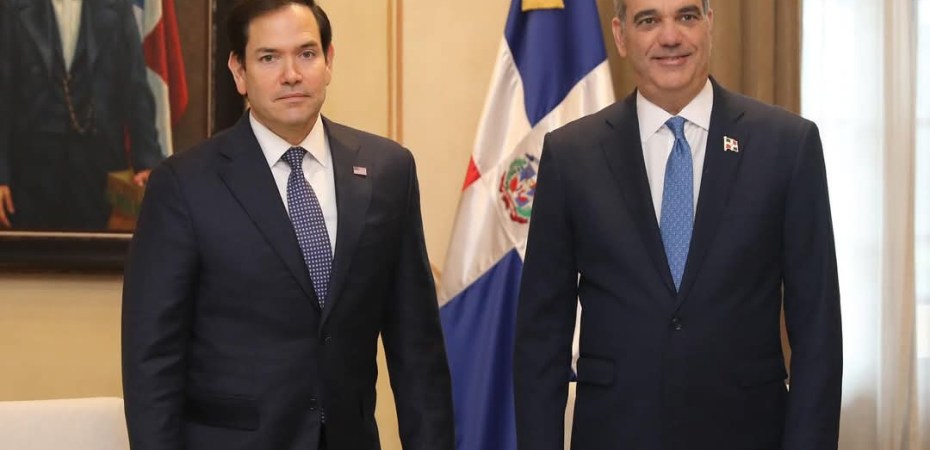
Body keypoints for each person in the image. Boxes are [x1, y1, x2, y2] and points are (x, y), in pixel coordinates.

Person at [121, 1, 454, 449]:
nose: (291, 74)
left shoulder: (387, 170)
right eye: (268, 58)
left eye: (306, 53)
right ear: (239, 72)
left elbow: (417, 347)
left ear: (329, 60)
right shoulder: (184, 184)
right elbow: (152, 359)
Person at [513, 0, 842, 449]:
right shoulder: (572, 156)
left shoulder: (787, 146)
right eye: (649, 20)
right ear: (621, 35)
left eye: (686, 16)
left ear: (710, 24)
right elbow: (541, 339)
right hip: (616, 434)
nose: (670, 37)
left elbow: (818, 332)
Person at [0, 0, 161, 230]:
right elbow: (3, 96)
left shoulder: (116, 6)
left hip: (99, 170)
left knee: (97, 249)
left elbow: (135, 89)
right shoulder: (12, 6)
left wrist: (147, 162)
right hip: (29, 173)